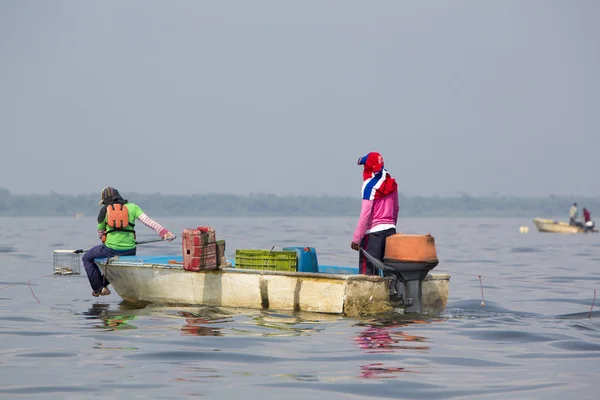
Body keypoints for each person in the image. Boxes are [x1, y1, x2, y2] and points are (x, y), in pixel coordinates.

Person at [82, 187, 176, 297]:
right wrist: (164, 232)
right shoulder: (133, 207)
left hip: (110, 249)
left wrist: (106, 236)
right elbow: (148, 221)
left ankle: (98, 289)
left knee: (87, 258)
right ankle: (101, 287)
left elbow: (100, 234)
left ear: (105, 200)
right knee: (117, 270)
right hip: (130, 250)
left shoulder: (104, 211)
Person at [351, 152, 399, 275]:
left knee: (367, 273)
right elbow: (396, 209)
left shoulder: (369, 186)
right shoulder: (391, 182)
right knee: (389, 273)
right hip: (390, 232)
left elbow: (365, 215)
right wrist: (391, 228)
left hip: (373, 235)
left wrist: (356, 239)